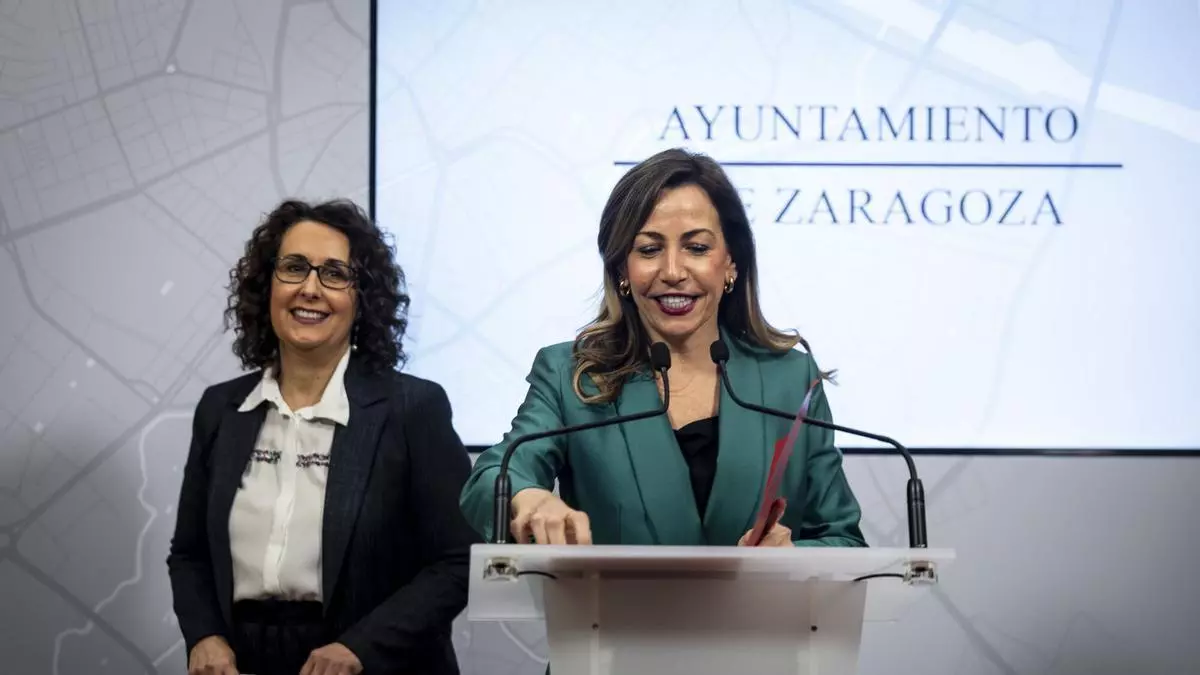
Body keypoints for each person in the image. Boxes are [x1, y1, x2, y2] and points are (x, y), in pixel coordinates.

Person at [460, 148, 867, 549]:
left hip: (762, 598)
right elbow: (492, 477)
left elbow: (843, 539)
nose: (672, 272)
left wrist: (791, 556)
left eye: (697, 248)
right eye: (649, 249)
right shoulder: (571, 376)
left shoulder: (791, 380)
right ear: (622, 268)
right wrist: (528, 497)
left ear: (731, 262)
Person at [167, 199, 479, 675]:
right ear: (267, 285)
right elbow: (189, 554)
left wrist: (360, 650)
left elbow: (459, 560)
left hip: (376, 663)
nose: (310, 289)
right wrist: (204, 637)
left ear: (362, 298)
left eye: (334, 274)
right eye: (294, 268)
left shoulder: (413, 408)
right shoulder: (220, 409)